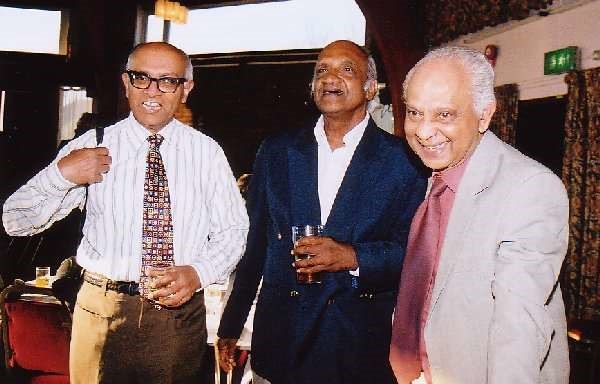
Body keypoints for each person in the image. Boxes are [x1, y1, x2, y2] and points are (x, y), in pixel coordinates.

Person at [2, 42, 249, 383]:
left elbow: (234, 230)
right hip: (101, 312)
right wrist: (61, 176)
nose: (153, 90)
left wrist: (199, 272)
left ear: (185, 89)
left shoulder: (206, 153)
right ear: (126, 83)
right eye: (141, 78)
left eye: (168, 81)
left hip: (178, 317)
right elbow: (15, 220)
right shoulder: (93, 144)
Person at [216, 40, 426, 384]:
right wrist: (232, 323)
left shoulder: (404, 162)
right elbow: (254, 245)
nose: (330, 77)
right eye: (321, 70)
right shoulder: (277, 151)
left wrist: (352, 256)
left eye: (346, 69)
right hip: (282, 343)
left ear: (370, 88)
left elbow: (415, 255)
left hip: (354, 348)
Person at [389, 46, 569, 384]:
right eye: (414, 113)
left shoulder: (529, 188)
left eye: (444, 115)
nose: (424, 131)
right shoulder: (428, 173)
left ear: (484, 115)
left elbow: (519, 323)